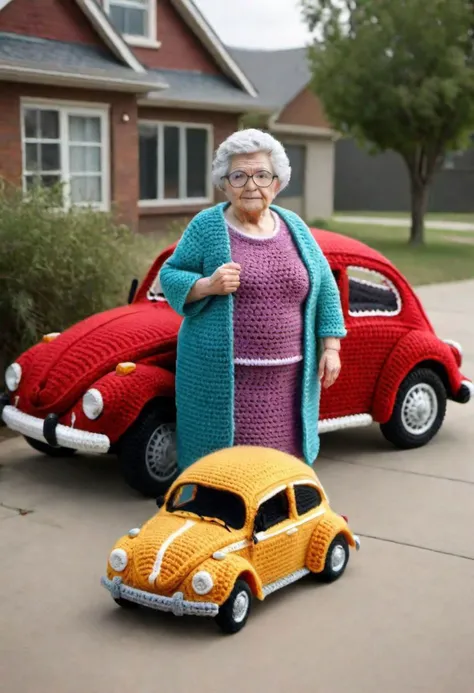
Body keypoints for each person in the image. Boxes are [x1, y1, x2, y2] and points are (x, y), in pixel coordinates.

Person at [159, 128, 346, 472]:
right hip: (225, 382)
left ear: (276, 183)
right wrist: (206, 285)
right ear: (224, 183)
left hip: (288, 382)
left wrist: (331, 347)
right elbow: (170, 274)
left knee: (280, 468)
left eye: (261, 175)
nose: (251, 185)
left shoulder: (295, 228)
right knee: (226, 469)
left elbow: (325, 288)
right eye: (239, 176)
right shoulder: (207, 227)